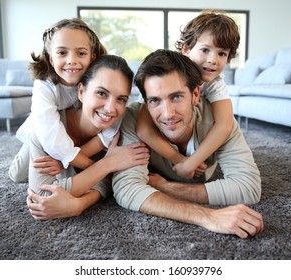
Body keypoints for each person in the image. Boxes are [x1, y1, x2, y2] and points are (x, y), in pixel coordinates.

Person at [27, 49, 264, 238]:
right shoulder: (132, 118)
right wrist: (207, 217)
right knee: (24, 165)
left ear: (195, 95)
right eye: (154, 101)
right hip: (49, 141)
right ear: (144, 102)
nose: (168, 113)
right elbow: (126, 189)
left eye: (177, 97)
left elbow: (248, 187)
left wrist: (167, 187)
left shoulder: (221, 122)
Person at [27, 55, 150, 214]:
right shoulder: (47, 129)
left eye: (121, 99)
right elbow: (42, 196)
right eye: (101, 93)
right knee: (17, 173)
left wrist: (79, 204)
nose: (110, 109)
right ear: (81, 91)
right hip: (33, 138)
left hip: (77, 150)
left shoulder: (117, 131)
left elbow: (108, 182)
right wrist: (107, 164)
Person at [136, 10, 239, 179]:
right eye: (205, 50)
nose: (213, 60)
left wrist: (191, 163)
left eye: (222, 53)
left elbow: (225, 125)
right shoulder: (162, 76)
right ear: (185, 48)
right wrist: (180, 160)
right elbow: (143, 128)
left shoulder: (215, 83)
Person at [9, 18, 107, 184]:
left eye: (81, 53)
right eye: (62, 53)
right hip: (44, 129)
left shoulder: (97, 80)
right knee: (18, 175)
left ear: (92, 57)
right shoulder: (44, 85)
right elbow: (50, 134)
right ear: (51, 59)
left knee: (68, 168)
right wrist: (92, 166)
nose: (71, 60)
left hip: (76, 131)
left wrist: (69, 159)